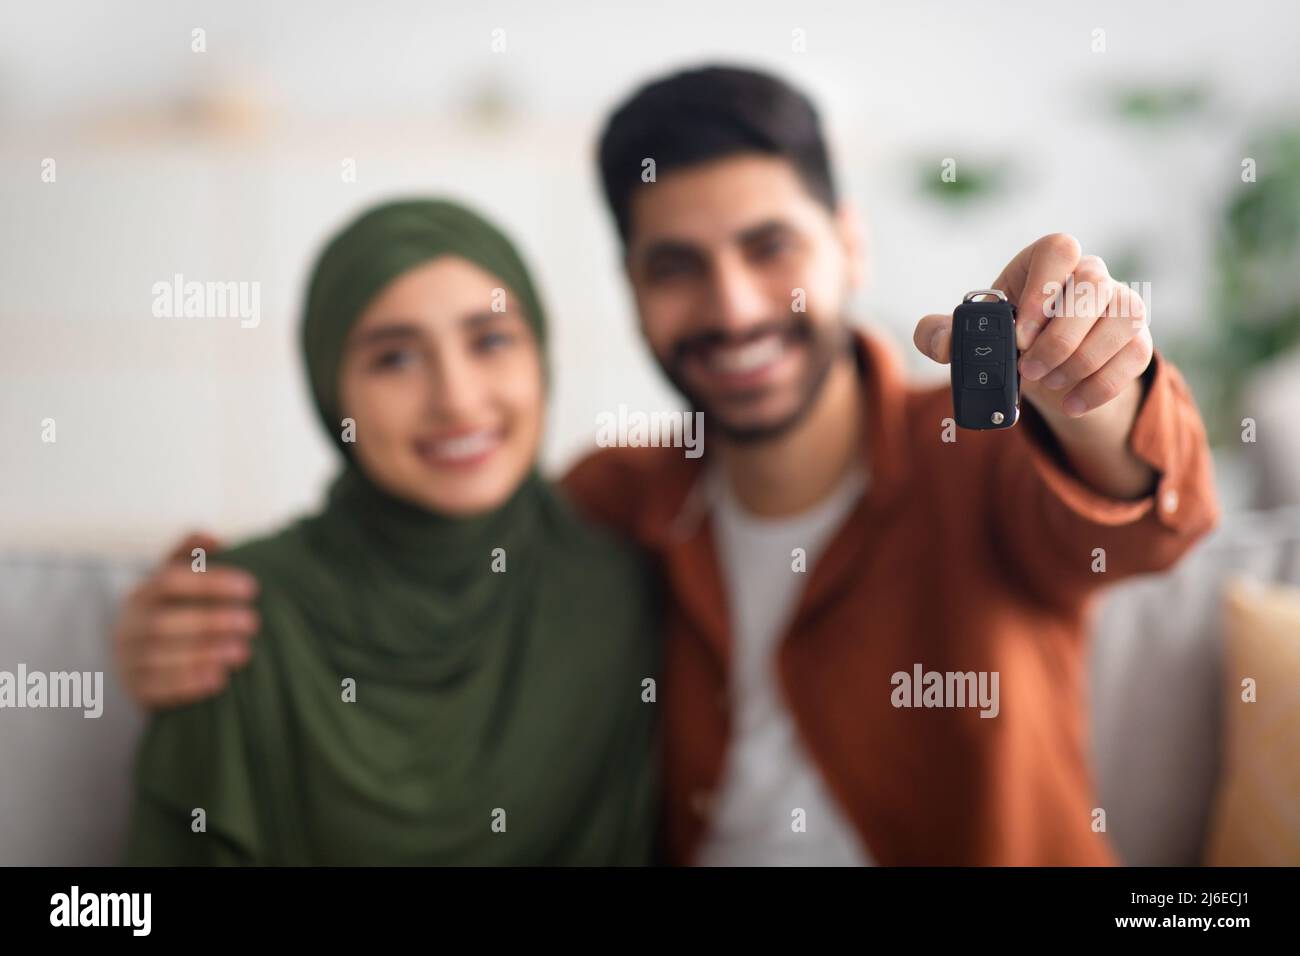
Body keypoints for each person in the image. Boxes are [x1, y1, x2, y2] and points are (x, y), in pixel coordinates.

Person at [115, 66, 1218, 866]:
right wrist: (187, 603)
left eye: (768, 247)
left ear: (849, 244)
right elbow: (428, 552)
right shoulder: (619, 502)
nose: (733, 306)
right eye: (677, 265)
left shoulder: (973, 456)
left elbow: (1143, 514)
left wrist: (1096, 391)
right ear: (631, 287)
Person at [125, 199, 659, 865]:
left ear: (541, 359)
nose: (457, 399)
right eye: (395, 359)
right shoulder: (235, 615)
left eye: (491, 341)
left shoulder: (627, 592)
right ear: (332, 391)